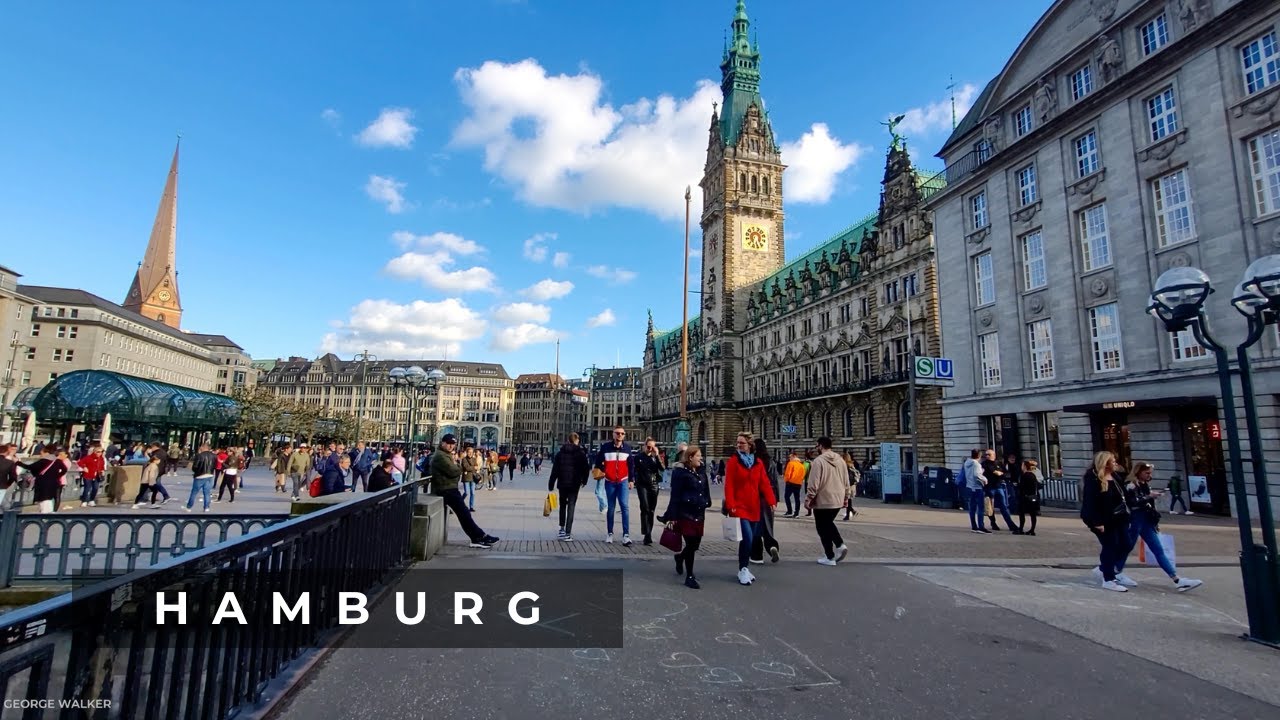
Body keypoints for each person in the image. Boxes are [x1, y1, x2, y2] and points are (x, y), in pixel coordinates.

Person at [1110, 462, 1203, 592]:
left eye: (1150, 473)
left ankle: (1177, 579)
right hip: (1135, 519)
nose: (1149, 475)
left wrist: (1153, 518)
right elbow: (1131, 502)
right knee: (1127, 547)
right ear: (1138, 472)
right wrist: (1149, 496)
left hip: (1146, 520)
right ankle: (1113, 571)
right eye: (1147, 473)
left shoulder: (1144, 484)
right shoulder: (1131, 485)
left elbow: (1147, 503)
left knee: (1158, 549)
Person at [723, 431, 778, 586]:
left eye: (742, 443)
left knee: (751, 539)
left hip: (754, 506)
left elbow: (764, 483)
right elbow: (729, 485)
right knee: (747, 537)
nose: (739, 445)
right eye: (738, 442)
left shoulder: (758, 462)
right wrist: (731, 506)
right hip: (739, 507)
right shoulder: (733, 462)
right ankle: (743, 569)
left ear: (750, 445)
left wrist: (771, 501)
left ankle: (744, 568)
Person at [431, 435, 499, 548]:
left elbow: (456, 468)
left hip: (449, 488)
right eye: (448, 443)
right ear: (442, 443)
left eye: (453, 444)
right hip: (446, 489)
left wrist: (457, 465)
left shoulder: (446, 455)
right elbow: (454, 471)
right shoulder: (441, 456)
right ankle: (478, 537)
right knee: (464, 514)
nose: (451, 446)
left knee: (464, 514)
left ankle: (479, 536)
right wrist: (458, 466)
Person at [659, 446, 713, 589]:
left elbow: (705, 488)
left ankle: (680, 557)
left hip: (699, 512)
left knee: (695, 545)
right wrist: (672, 515)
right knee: (690, 543)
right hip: (685, 513)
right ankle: (689, 576)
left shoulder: (701, 471)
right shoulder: (680, 473)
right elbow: (675, 496)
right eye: (698, 456)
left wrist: (707, 501)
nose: (700, 458)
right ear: (690, 457)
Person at [1080, 451, 1132, 592]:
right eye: (1112, 461)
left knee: (1126, 543)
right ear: (1105, 463)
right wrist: (1097, 522)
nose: (1115, 463)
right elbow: (1090, 503)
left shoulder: (1115, 476)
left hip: (1119, 517)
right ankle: (1108, 579)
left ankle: (1103, 568)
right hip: (1102, 519)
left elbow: (1124, 496)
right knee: (1110, 545)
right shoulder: (1093, 479)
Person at [805, 437, 850, 566]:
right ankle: (834, 551)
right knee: (827, 524)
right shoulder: (840, 460)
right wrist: (846, 497)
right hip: (838, 498)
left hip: (823, 499)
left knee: (822, 527)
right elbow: (846, 480)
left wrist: (809, 498)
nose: (816, 448)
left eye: (817, 446)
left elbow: (814, 482)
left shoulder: (818, 461)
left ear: (820, 446)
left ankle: (832, 553)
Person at [594, 426, 635, 546]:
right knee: (611, 508)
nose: (620, 435)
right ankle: (610, 533)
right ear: (613, 434)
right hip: (610, 481)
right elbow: (598, 462)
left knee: (624, 506)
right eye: (617, 433)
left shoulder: (627, 448)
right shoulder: (606, 447)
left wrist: (631, 480)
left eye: (622, 433)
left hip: (623, 481)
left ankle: (626, 535)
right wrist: (604, 471)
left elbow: (631, 465)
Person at [549, 432, 590, 542]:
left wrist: (551, 484)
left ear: (568, 440)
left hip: (562, 483)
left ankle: (561, 529)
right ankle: (568, 533)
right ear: (577, 441)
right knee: (571, 507)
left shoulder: (560, 453)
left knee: (562, 506)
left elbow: (555, 470)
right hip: (574, 484)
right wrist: (584, 481)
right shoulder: (580, 454)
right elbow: (586, 469)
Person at [750, 438, 782, 564]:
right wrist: (775, 499)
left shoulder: (752, 461)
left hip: (755, 498)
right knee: (768, 525)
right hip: (768, 498)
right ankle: (772, 546)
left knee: (755, 527)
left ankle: (757, 556)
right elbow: (775, 482)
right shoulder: (771, 462)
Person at [633, 438, 666, 546]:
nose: (650, 449)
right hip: (642, 485)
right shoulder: (638, 457)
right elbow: (634, 469)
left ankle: (648, 534)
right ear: (644, 446)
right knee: (645, 507)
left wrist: (657, 456)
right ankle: (646, 532)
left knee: (651, 510)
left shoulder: (655, 457)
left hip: (654, 485)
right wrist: (633, 480)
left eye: (652, 447)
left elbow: (662, 468)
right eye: (648, 447)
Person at [983, 449, 1021, 533]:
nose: (987, 456)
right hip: (989, 487)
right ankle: (993, 523)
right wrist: (996, 472)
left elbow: (1006, 473)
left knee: (1003, 506)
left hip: (999, 486)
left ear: (994, 455)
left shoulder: (998, 463)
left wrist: (1000, 473)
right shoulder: (984, 464)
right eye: (986, 454)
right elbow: (989, 472)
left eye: (989, 454)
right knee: (990, 507)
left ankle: (1011, 525)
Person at [21, 445, 67, 514]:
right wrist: (57, 476)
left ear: (47, 453)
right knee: (48, 500)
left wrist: (18, 463)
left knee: (43, 500)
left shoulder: (43, 461)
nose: (40, 455)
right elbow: (64, 469)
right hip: (53, 483)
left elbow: (30, 467)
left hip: (43, 483)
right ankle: (49, 513)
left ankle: (44, 515)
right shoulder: (57, 461)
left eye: (41, 453)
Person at [964, 449, 989, 533]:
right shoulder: (976, 464)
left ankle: (974, 526)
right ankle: (981, 527)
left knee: (972, 508)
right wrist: (985, 479)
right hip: (977, 487)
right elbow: (977, 474)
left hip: (969, 486)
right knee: (980, 507)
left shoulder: (967, 462)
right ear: (979, 455)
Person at [186, 443, 217, 512]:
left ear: (203, 447)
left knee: (194, 492)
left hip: (200, 475)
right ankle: (206, 507)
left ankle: (189, 507)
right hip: (210, 475)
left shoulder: (199, 455)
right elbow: (215, 465)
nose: (200, 448)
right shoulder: (214, 456)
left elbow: (195, 467)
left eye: (201, 447)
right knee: (207, 492)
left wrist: (195, 472)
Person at [1017, 460, 1043, 535]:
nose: (1021, 467)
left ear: (1025, 466)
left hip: (1025, 497)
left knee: (1022, 513)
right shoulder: (1033, 475)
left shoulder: (1024, 475)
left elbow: (1022, 487)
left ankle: (1021, 529)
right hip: (1033, 497)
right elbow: (1037, 485)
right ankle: (1032, 530)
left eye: (1022, 465)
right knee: (1033, 514)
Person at [77, 443, 106, 508]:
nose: (100, 453)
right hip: (88, 475)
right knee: (87, 488)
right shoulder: (88, 457)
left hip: (97, 475)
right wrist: (84, 467)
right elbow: (80, 462)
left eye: (101, 452)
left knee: (95, 488)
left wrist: (102, 471)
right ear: (94, 452)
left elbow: (102, 466)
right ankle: (84, 501)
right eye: (98, 452)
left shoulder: (101, 459)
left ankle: (91, 500)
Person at [782, 451, 805, 517]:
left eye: (790, 457)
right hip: (798, 483)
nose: (789, 458)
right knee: (797, 498)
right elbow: (803, 474)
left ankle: (789, 511)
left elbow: (788, 473)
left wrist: (786, 480)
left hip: (790, 483)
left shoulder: (791, 463)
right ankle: (796, 513)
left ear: (794, 456)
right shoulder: (801, 465)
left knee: (787, 496)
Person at [461, 446, 481, 511]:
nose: (470, 453)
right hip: (466, 478)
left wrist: (472, 468)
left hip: (473, 477)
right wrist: (473, 468)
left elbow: (476, 466)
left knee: (473, 493)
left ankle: (471, 507)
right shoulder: (464, 459)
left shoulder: (474, 459)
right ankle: (460, 501)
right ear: (467, 452)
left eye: (471, 452)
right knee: (466, 492)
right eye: (469, 452)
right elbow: (466, 467)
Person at [0, 444, 20, 509]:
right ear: (6, 452)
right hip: (2, 485)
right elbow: (13, 476)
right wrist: (8, 484)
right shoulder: (9, 462)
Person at [842, 453, 861, 520]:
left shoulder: (845, 465)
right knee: (849, 500)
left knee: (847, 501)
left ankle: (848, 515)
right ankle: (852, 512)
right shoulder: (851, 465)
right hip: (852, 485)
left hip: (848, 485)